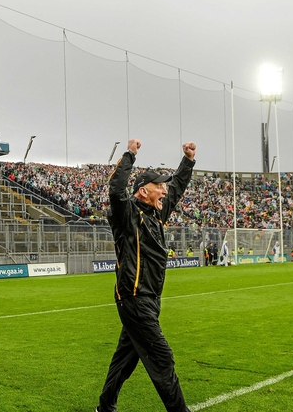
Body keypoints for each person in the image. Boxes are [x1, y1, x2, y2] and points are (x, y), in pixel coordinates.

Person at [96, 139, 196, 412]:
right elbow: (116, 189)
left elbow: (176, 189)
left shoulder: (156, 215)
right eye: (159, 185)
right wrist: (129, 155)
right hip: (134, 298)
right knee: (162, 358)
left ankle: (105, 406)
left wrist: (187, 161)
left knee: (125, 359)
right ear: (142, 191)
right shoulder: (126, 214)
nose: (164, 189)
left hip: (151, 300)